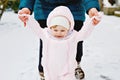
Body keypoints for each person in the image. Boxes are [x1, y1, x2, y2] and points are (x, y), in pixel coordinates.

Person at [18, 0, 100, 79]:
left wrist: (91, 9)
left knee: (75, 42)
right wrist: (26, 9)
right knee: (47, 43)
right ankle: (44, 70)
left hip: (73, 9)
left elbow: (83, 34)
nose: (59, 33)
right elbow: (36, 29)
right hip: (45, 9)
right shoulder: (45, 33)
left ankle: (75, 64)